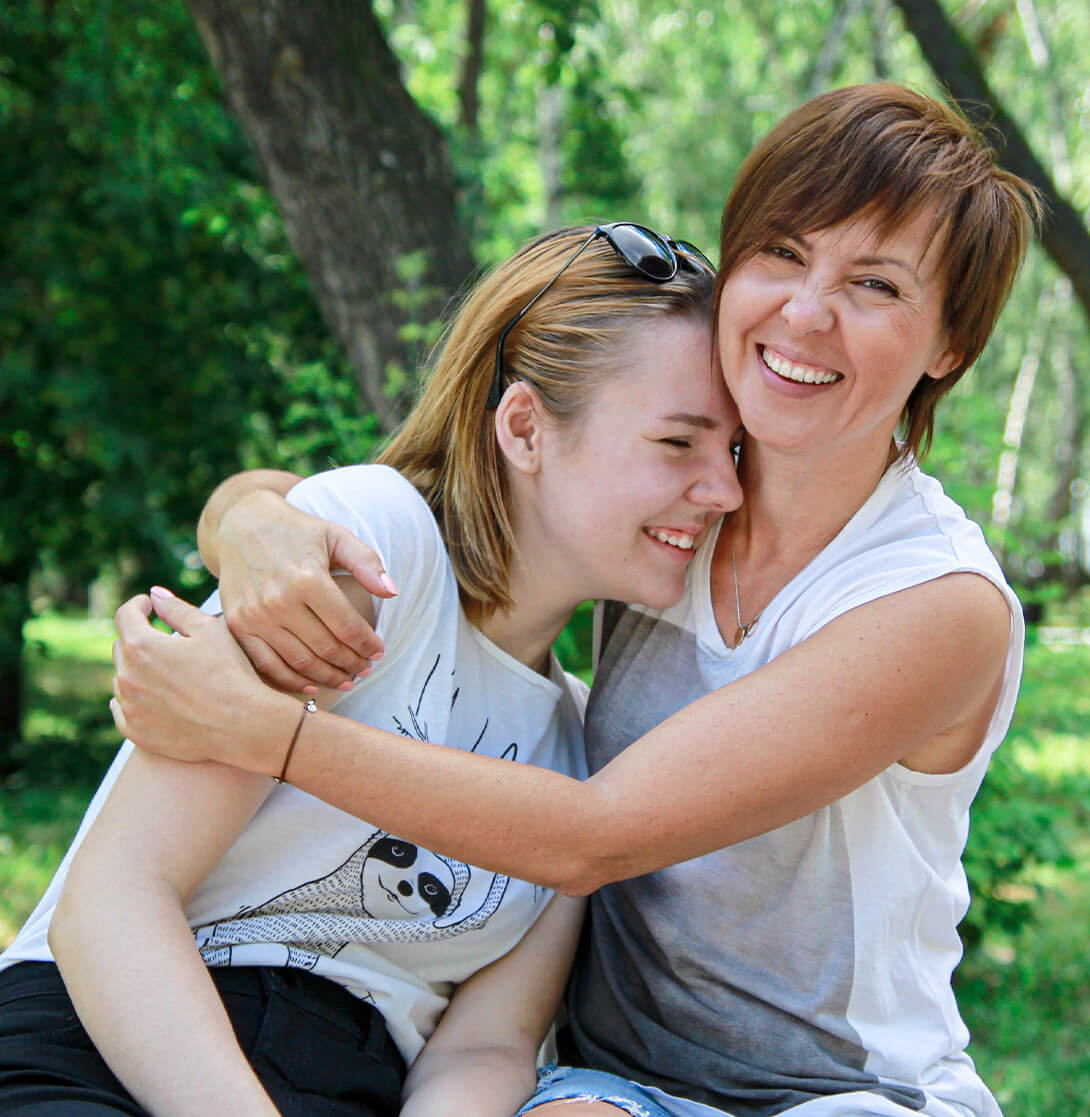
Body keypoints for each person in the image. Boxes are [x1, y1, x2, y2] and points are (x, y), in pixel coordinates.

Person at [109, 83, 1037, 1117]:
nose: (806, 311)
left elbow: (594, 832)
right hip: (612, 1085)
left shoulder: (935, 601)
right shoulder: (678, 514)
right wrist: (246, 515)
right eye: (780, 252)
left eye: (874, 285)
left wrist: (266, 732)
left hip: (850, 1094)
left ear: (947, 344)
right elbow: (450, 493)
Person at [0, 224, 744, 1117]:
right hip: (114, 1043)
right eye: (679, 443)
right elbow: (114, 900)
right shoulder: (375, 555)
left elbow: (484, 1044)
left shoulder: (583, 758)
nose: (727, 491)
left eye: (735, 452)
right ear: (525, 428)